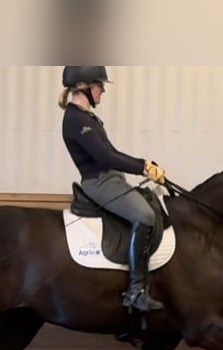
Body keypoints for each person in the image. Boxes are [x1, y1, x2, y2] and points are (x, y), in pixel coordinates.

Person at [58, 65, 167, 312]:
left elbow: (113, 153)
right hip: (99, 181)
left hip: (111, 177)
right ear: (85, 88)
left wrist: (146, 164)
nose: (103, 90)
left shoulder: (87, 118)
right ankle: (136, 291)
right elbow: (105, 156)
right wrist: (142, 168)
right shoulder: (75, 120)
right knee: (145, 215)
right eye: (100, 85)